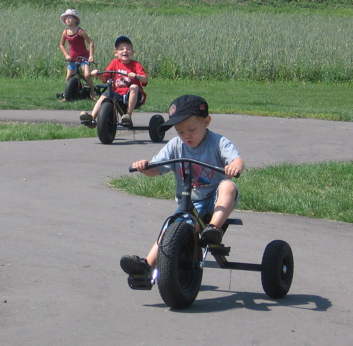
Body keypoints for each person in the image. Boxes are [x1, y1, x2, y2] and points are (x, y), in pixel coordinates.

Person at [119, 95, 245, 276]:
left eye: (191, 129)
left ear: (206, 122)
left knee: (228, 186)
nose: (186, 135)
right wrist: (145, 168)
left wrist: (234, 167)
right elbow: (157, 168)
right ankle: (147, 265)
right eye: (180, 131)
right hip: (190, 203)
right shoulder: (175, 145)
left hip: (216, 199)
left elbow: (237, 159)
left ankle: (213, 229)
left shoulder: (218, 142)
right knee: (169, 229)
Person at [79, 36, 148, 128]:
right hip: (117, 94)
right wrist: (98, 74)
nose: (125, 51)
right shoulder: (114, 63)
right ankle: (92, 118)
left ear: (132, 52)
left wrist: (136, 76)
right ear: (116, 53)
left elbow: (145, 80)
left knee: (134, 87)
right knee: (104, 95)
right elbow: (105, 78)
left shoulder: (136, 64)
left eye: (128, 49)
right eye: (121, 49)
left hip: (133, 95)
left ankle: (128, 116)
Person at [59, 9, 95, 101]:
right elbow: (61, 45)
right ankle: (68, 95)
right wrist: (66, 55)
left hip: (83, 57)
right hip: (73, 58)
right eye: (66, 18)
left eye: (69, 17)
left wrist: (91, 56)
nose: (67, 19)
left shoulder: (80, 31)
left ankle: (92, 94)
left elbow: (91, 42)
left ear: (75, 19)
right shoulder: (65, 32)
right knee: (68, 77)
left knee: (87, 75)